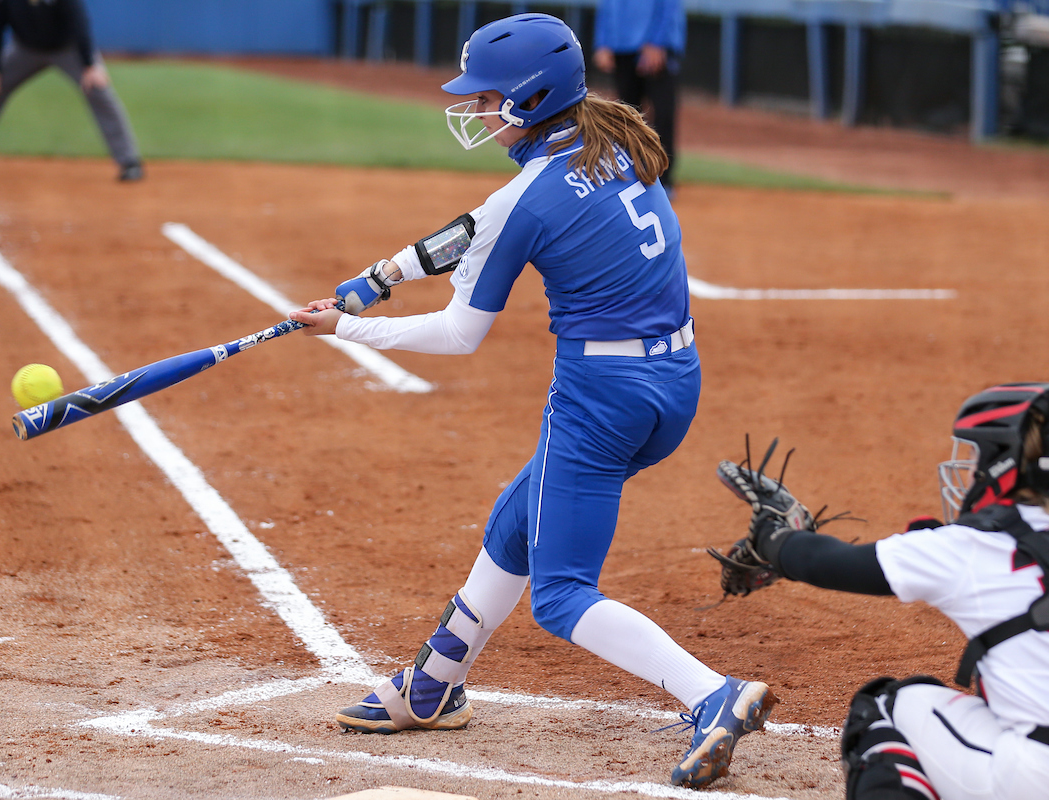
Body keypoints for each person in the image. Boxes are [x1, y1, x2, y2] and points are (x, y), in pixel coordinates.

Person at [290, 13, 774, 789]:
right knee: (518, 520)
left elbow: (459, 332)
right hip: (672, 385)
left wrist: (349, 327)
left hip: (601, 397)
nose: (477, 112)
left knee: (559, 596)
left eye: (486, 99)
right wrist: (380, 277)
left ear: (526, 99)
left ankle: (712, 695)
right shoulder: (606, 141)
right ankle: (432, 684)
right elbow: (474, 228)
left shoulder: (531, 196)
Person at [713, 383, 1049, 799]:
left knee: (886, 708)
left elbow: (827, 563)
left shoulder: (971, 548)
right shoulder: (969, 546)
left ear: (1005, 463)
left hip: (1035, 776)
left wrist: (771, 537)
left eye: (979, 458)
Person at [0, 0, 143, 182]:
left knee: (98, 89)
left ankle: (130, 161)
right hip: (24, 50)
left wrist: (90, 65)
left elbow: (79, 19)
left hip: (67, 48)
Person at [592, 0, 685, 195]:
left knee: (663, 114)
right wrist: (602, 43)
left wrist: (658, 43)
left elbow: (669, 7)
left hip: (657, 50)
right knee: (627, 116)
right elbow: (607, 7)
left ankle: (663, 178)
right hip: (621, 47)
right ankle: (631, 175)